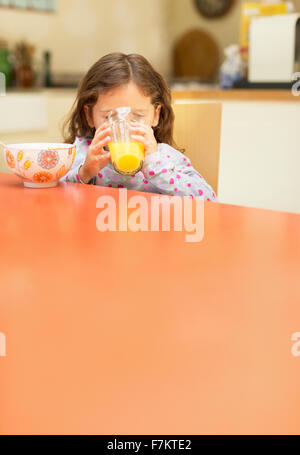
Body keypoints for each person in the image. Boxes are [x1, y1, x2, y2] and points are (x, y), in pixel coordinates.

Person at [62, 53, 216, 201]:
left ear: (156, 115)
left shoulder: (165, 157)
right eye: (110, 116)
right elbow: (55, 198)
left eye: (137, 116)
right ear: (89, 116)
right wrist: (84, 173)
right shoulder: (81, 154)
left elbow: (208, 199)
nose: (125, 127)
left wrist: (158, 170)